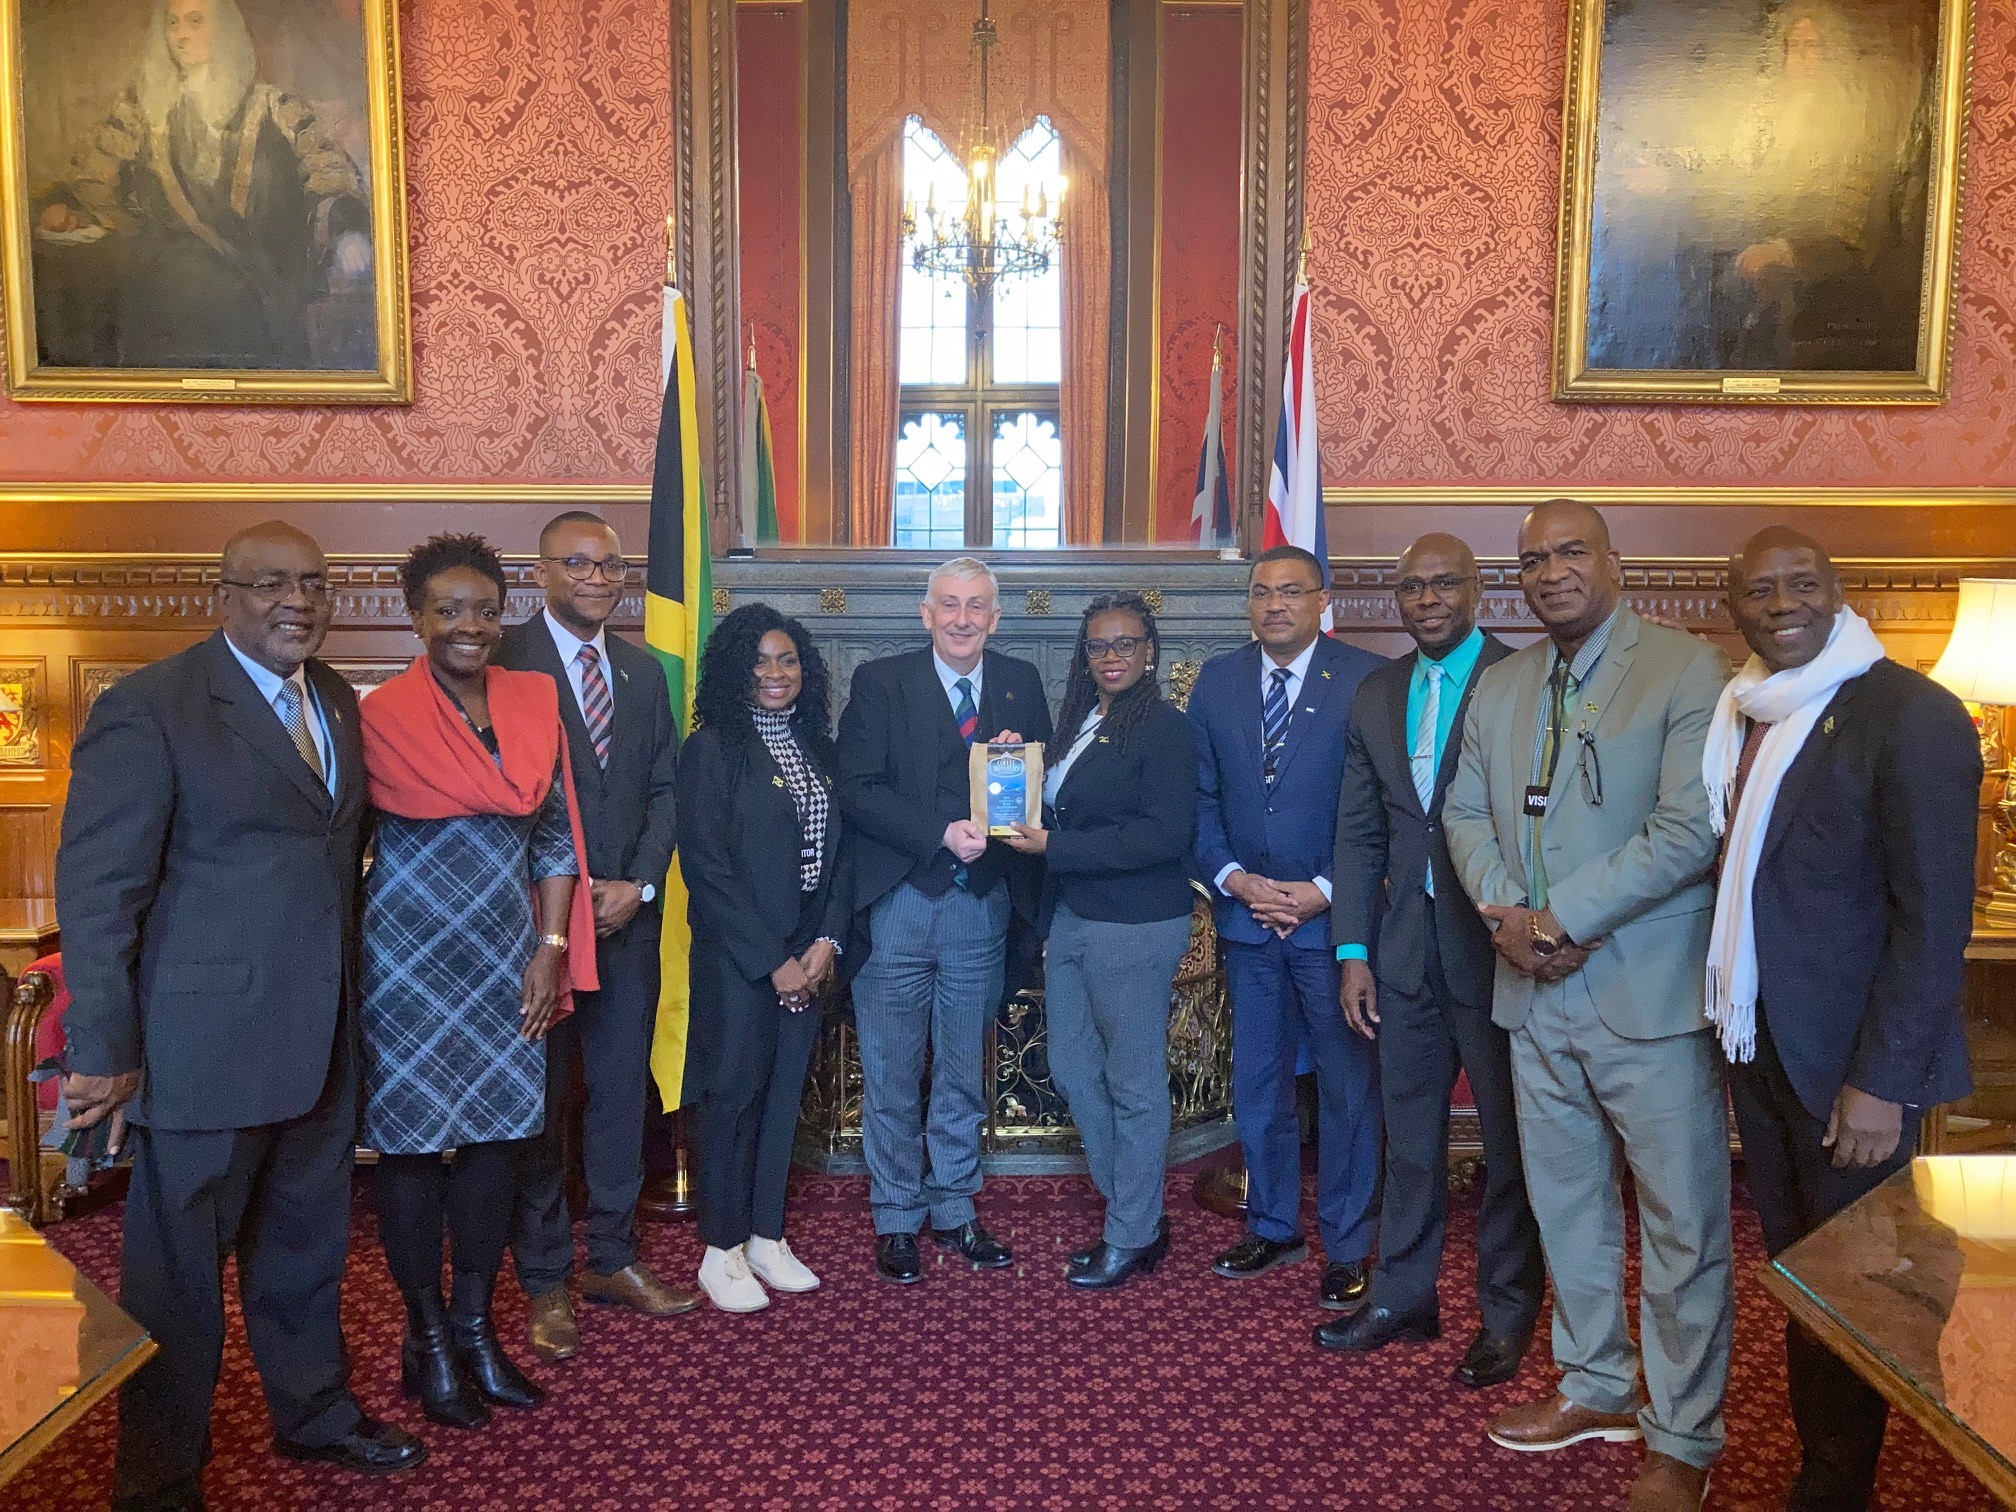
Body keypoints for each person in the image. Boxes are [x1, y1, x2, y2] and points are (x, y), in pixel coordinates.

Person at [56, 521, 424, 1512]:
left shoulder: (340, 700)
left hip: (322, 1043)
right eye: (268, 585)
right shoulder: (152, 708)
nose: (293, 602)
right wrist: (103, 1049)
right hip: (203, 1048)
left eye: (311, 583)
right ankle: (160, 1474)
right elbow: (99, 894)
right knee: (176, 1280)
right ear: (226, 593)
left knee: (305, 1253)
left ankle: (315, 1417)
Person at [1443, 499, 1733, 1512]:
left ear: (1615, 561)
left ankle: (1684, 1434)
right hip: (1532, 991)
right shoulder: (1507, 682)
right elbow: (1467, 810)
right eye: (1533, 559)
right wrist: (1506, 918)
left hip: (1639, 993)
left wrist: (1558, 916)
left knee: (1681, 1223)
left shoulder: (1687, 670)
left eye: (1572, 552)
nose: (1551, 571)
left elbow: (1689, 831)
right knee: (1565, 1206)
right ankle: (1597, 1387)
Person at [1712, 527, 1978, 1512]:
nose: (1782, 603)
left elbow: (1933, 917)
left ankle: (1838, 1482)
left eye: (1802, 584)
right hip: (1776, 1051)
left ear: (1837, 593)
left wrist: (1882, 1081)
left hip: (1856, 1076)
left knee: (1858, 1287)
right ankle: (1826, 1465)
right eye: (1759, 590)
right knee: (1804, 1275)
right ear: (1732, 606)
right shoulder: (1747, 712)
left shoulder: (1909, 715)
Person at [357, 533, 598, 1431]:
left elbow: (554, 839)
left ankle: (476, 1328)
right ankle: (426, 1340)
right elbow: (344, 854)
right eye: (448, 610)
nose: (470, 626)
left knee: (499, 1143)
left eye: (486, 610)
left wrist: (549, 945)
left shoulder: (533, 700)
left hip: (509, 961)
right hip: (406, 966)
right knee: (415, 1152)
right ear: (416, 616)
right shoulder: (375, 715)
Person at [1320, 533, 1543, 1386]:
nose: (1429, 599)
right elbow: (1359, 830)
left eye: (1446, 583)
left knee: (1508, 1145)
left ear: (1478, 590)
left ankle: (1508, 1313)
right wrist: (1352, 950)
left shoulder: (1525, 680)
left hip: (1497, 955)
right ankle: (1403, 1293)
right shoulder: (1378, 693)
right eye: (1413, 587)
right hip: (1402, 957)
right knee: (1407, 1139)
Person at [502, 511, 695, 1363]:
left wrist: (640, 885)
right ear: (539, 573)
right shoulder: (503, 661)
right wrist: (566, 899)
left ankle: (613, 1258)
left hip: (626, 920)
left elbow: (666, 787)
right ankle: (545, 1277)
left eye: (610, 564)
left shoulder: (645, 672)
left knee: (621, 1095)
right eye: (576, 563)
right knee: (544, 1105)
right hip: (534, 930)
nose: (596, 576)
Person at [837, 556, 1053, 1282]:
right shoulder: (880, 681)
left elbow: (1034, 791)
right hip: (898, 902)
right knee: (893, 1072)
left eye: (977, 607)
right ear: (926, 614)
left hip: (982, 908)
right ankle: (897, 1214)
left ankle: (955, 1208)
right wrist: (937, 831)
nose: (962, 619)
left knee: (963, 1071)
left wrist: (1017, 802)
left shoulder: (1021, 681)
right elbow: (857, 790)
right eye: (949, 606)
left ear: (996, 618)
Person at [1190, 544, 1384, 1308]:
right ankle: (1272, 1224)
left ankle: (1347, 1245)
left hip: (1333, 928)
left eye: (1292, 592)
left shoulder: (1367, 679)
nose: (1275, 605)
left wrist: (1323, 892)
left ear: (1322, 599)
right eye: (1262, 592)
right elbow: (1202, 802)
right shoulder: (1218, 681)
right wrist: (1235, 880)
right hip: (1248, 923)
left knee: (1345, 1090)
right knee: (1260, 1087)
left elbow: (1376, 809)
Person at [1001, 593, 1198, 1290]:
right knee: (1075, 1070)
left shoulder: (1166, 731)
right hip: (1077, 918)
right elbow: (1057, 809)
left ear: (1150, 650)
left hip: (1136, 924)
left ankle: (1130, 1231)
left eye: (1125, 644)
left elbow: (1164, 836)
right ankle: (1137, 1216)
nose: (1111, 657)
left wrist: (1057, 844)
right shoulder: (1082, 722)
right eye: (1098, 646)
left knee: (1132, 1082)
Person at [33, 0, 374, 369]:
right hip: (164, 276)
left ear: (224, 31)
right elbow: (88, 176)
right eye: (173, 24)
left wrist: (347, 230)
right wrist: (64, 208)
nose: (180, 36)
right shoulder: (141, 111)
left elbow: (327, 173)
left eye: (194, 22)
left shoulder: (277, 106)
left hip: (264, 273)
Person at [678, 604, 853, 1311]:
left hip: (805, 953)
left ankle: (766, 1237)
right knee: (734, 1095)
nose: (776, 674)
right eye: (760, 662)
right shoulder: (713, 748)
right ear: (734, 671)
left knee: (785, 1098)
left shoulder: (818, 747)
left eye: (787, 661)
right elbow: (706, 865)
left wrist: (822, 945)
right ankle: (720, 1250)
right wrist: (771, 960)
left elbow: (841, 857)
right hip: (739, 959)